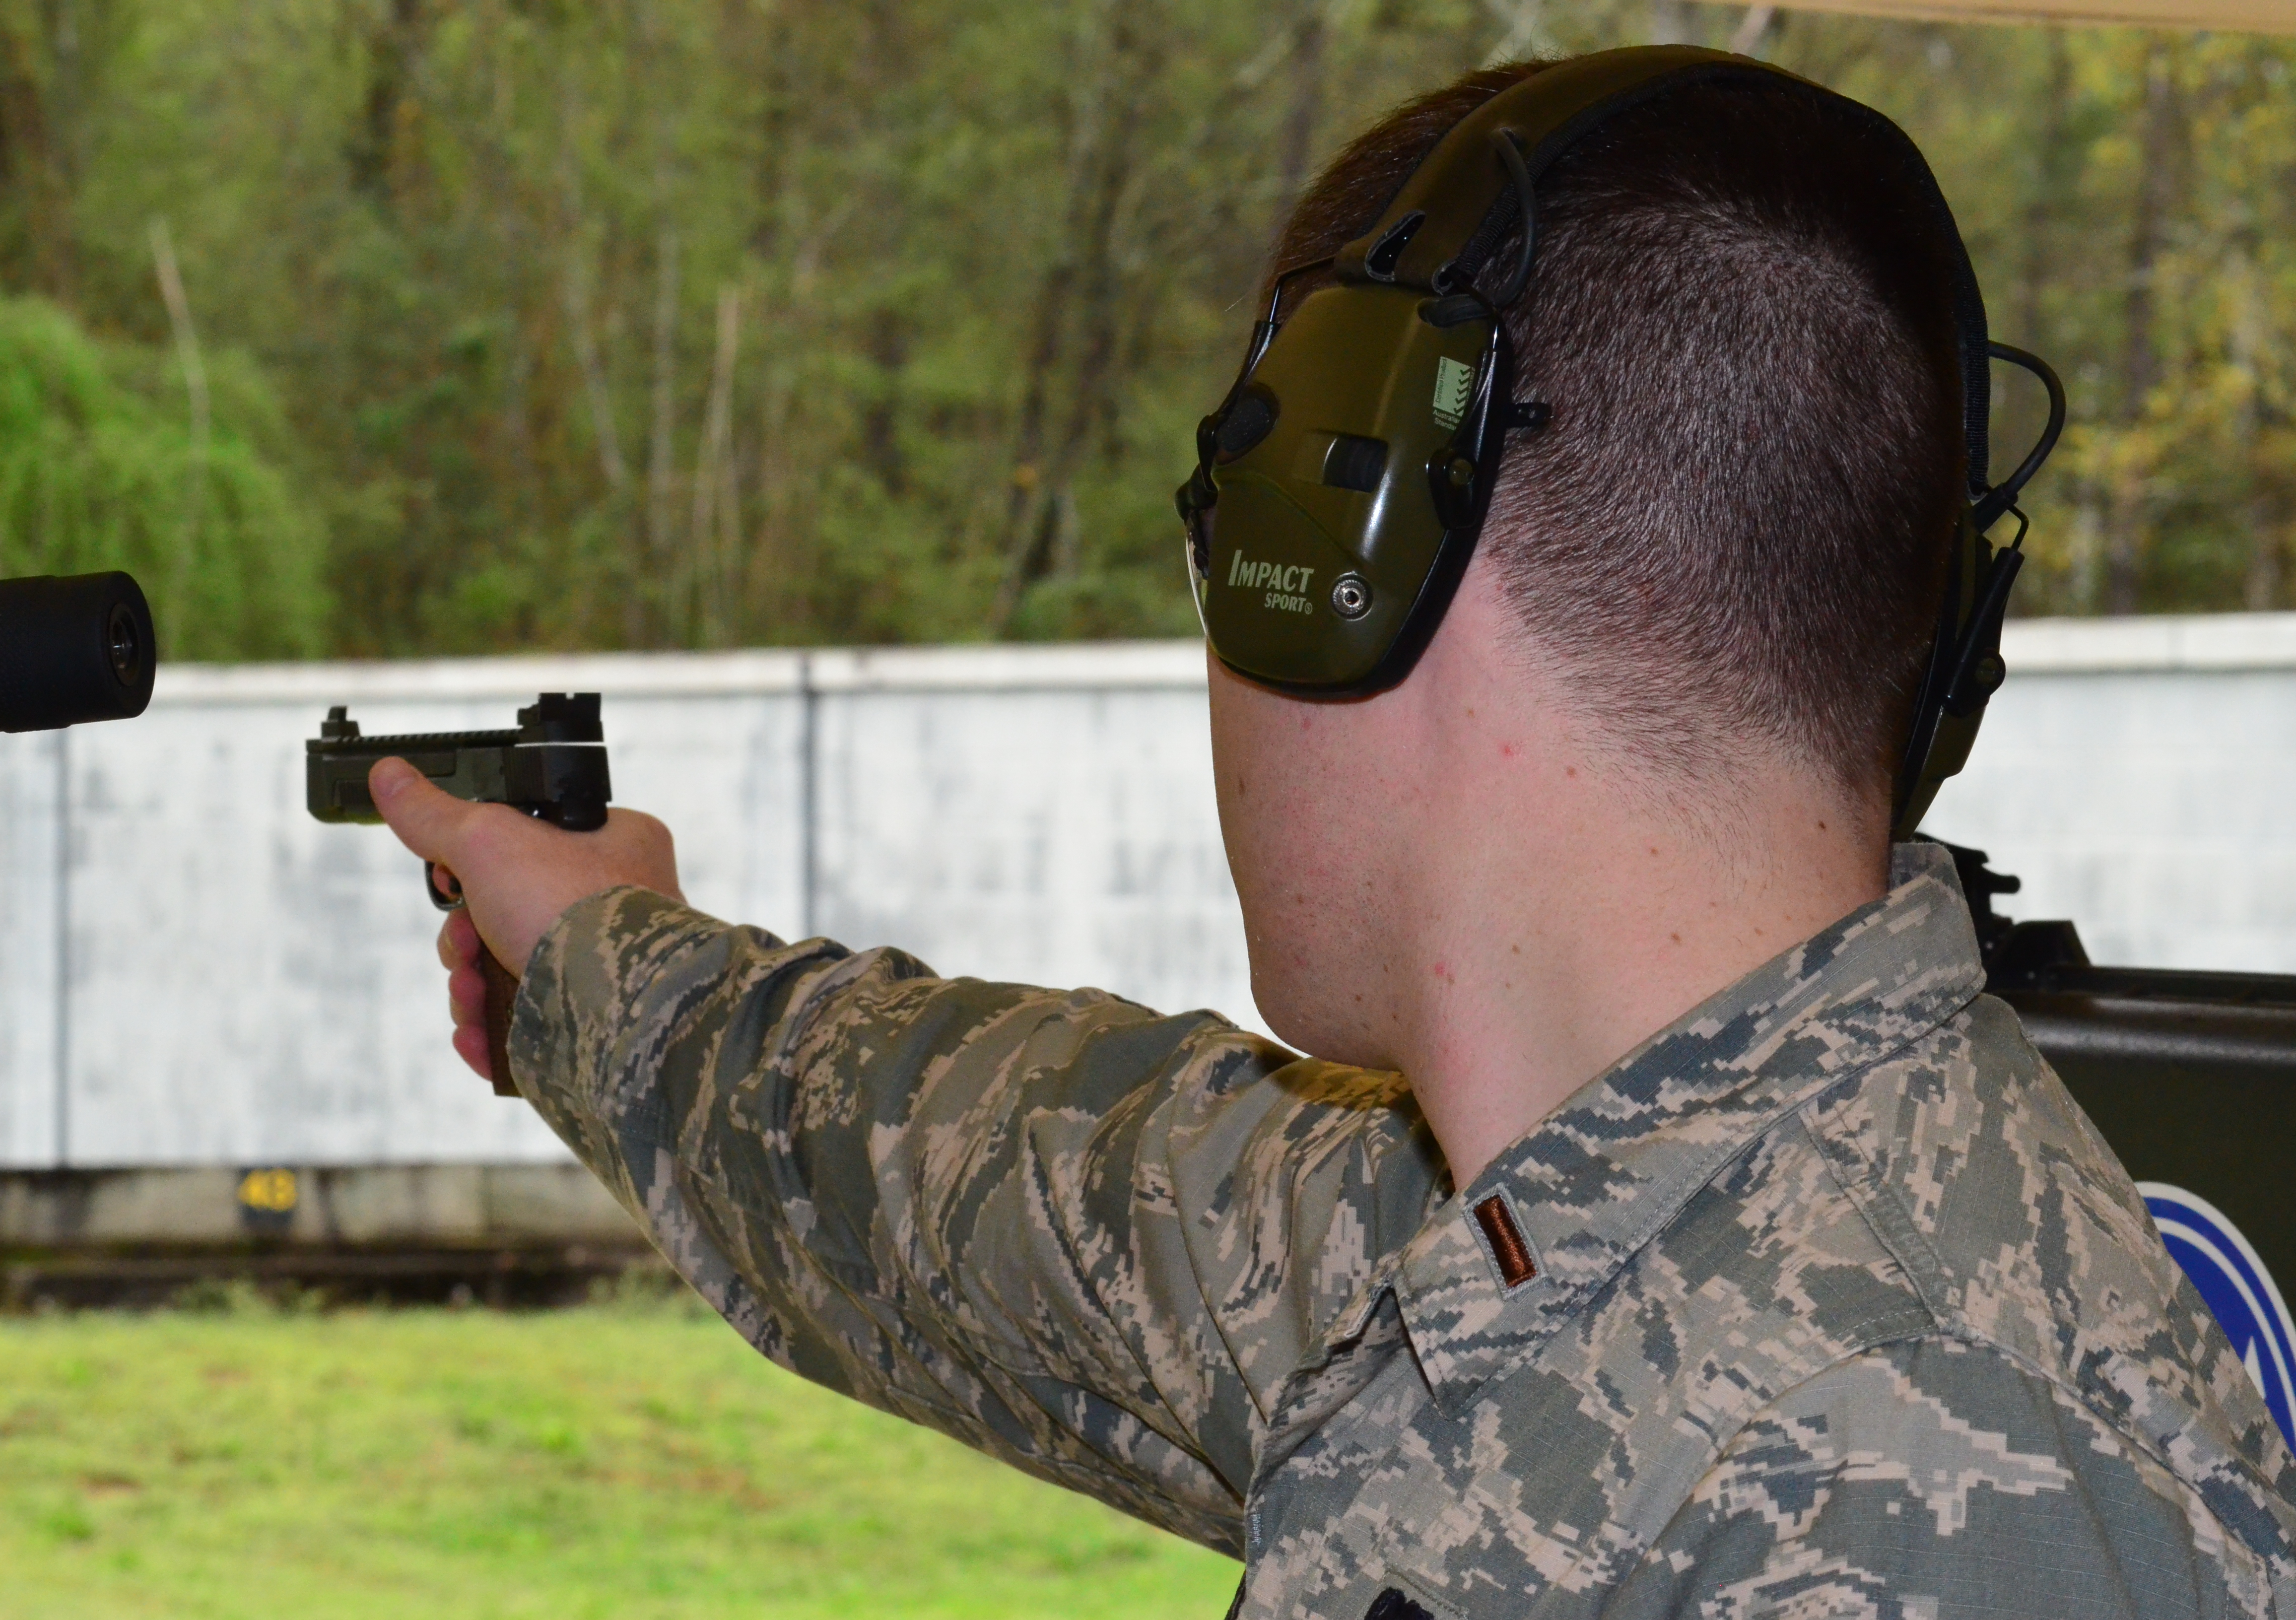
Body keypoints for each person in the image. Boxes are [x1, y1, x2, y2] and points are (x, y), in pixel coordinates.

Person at [369, 49, 2296, 1620]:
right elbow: (970, 1173)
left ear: (1339, 551)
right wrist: (605, 955)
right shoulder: (1555, 1206)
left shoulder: (1957, 1497)